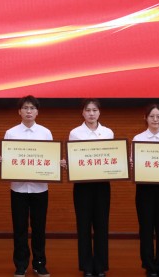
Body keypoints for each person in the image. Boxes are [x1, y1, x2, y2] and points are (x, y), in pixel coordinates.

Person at [4, 95, 52, 277]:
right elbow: (7, 159)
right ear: (19, 111)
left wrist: (57, 163)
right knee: (20, 228)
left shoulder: (45, 133)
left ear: (37, 112)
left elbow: (50, 158)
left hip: (40, 189)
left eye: (32, 108)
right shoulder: (11, 133)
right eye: (25, 108)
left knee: (39, 228)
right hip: (18, 189)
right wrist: (2, 160)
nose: (29, 111)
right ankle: (21, 264)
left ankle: (39, 263)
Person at [69, 99, 114, 277]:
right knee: (83, 226)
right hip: (82, 186)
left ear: (99, 112)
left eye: (94, 110)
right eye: (88, 110)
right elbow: (73, 158)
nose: (91, 113)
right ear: (83, 113)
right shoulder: (75, 133)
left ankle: (100, 266)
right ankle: (87, 266)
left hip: (102, 185)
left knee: (102, 225)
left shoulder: (108, 132)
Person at [132, 104, 159, 277]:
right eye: (152, 116)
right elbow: (133, 164)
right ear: (146, 118)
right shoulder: (138, 138)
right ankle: (149, 266)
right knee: (146, 228)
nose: (155, 119)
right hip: (145, 190)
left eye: (158, 116)